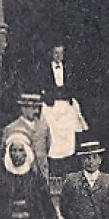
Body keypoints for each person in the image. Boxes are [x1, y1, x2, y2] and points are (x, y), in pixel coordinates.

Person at [36, 45, 88, 178]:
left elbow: (75, 85)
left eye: (61, 53)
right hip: (51, 106)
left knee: (68, 136)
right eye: (55, 53)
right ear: (51, 54)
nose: (58, 56)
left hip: (65, 106)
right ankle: (53, 168)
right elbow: (41, 86)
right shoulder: (43, 70)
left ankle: (67, 168)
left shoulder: (69, 69)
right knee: (52, 135)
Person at [1, 93, 53, 178]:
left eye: (38, 108)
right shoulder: (11, 128)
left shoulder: (43, 126)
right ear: (23, 108)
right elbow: (4, 153)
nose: (36, 111)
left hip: (41, 175)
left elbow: (47, 145)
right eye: (33, 108)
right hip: (22, 176)